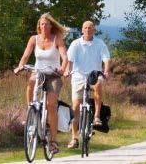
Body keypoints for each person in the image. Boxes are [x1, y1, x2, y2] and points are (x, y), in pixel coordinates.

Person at [13, 13, 69, 154]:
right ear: (39, 26)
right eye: (42, 24)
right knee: (31, 81)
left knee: (51, 105)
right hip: (38, 73)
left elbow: (64, 56)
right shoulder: (34, 39)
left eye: (47, 24)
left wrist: (63, 68)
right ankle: (31, 112)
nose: (44, 26)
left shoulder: (57, 39)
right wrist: (20, 66)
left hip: (53, 75)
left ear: (51, 26)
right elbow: (26, 55)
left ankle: (53, 142)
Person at [63, 20, 111, 149]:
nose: (88, 30)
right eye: (85, 27)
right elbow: (70, 60)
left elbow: (106, 58)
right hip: (78, 76)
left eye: (90, 28)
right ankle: (74, 138)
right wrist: (68, 70)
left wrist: (106, 71)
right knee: (75, 107)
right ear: (82, 30)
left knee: (99, 84)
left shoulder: (100, 43)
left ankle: (96, 116)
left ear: (94, 30)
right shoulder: (75, 44)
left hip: (94, 74)